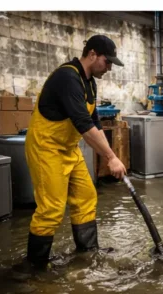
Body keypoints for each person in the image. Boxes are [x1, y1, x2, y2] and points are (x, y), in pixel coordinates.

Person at [24, 34, 128, 269]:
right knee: (51, 207)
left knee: (86, 197)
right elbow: (83, 124)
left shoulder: (89, 82)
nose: (109, 67)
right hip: (46, 148)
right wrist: (110, 157)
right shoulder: (67, 77)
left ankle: (87, 252)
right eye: (107, 61)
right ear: (92, 54)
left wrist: (113, 157)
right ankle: (34, 267)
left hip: (68, 149)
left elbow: (95, 123)